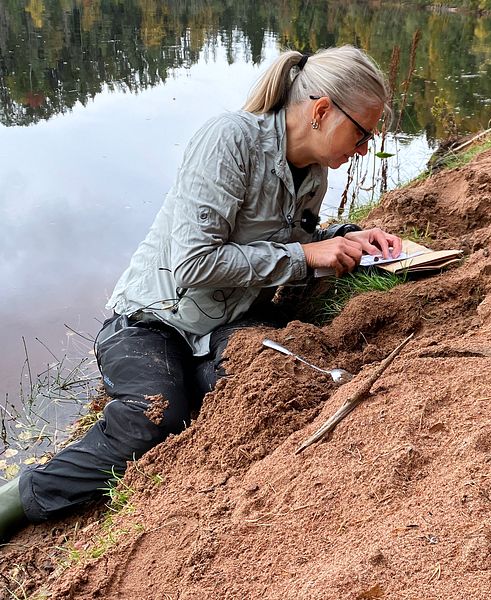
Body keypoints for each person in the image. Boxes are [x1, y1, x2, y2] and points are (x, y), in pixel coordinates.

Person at [0, 45, 402, 542]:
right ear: (321, 111)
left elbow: (286, 244)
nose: (365, 148)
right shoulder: (229, 141)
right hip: (154, 320)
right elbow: (195, 263)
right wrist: (305, 257)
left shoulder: (313, 174)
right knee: (154, 413)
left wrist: (345, 239)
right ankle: (18, 501)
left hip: (225, 325)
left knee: (269, 380)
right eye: (362, 132)